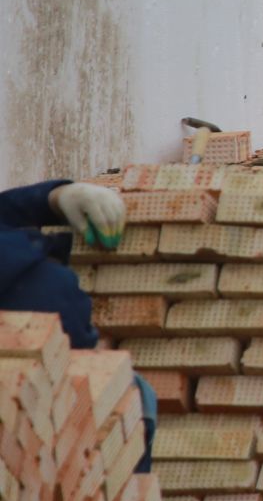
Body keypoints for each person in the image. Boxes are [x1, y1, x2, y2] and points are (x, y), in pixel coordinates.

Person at [0, 178, 157, 471]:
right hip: (33, 428)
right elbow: (69, 328)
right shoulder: (37, 286)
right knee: (132, 398)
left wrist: (53, 198)